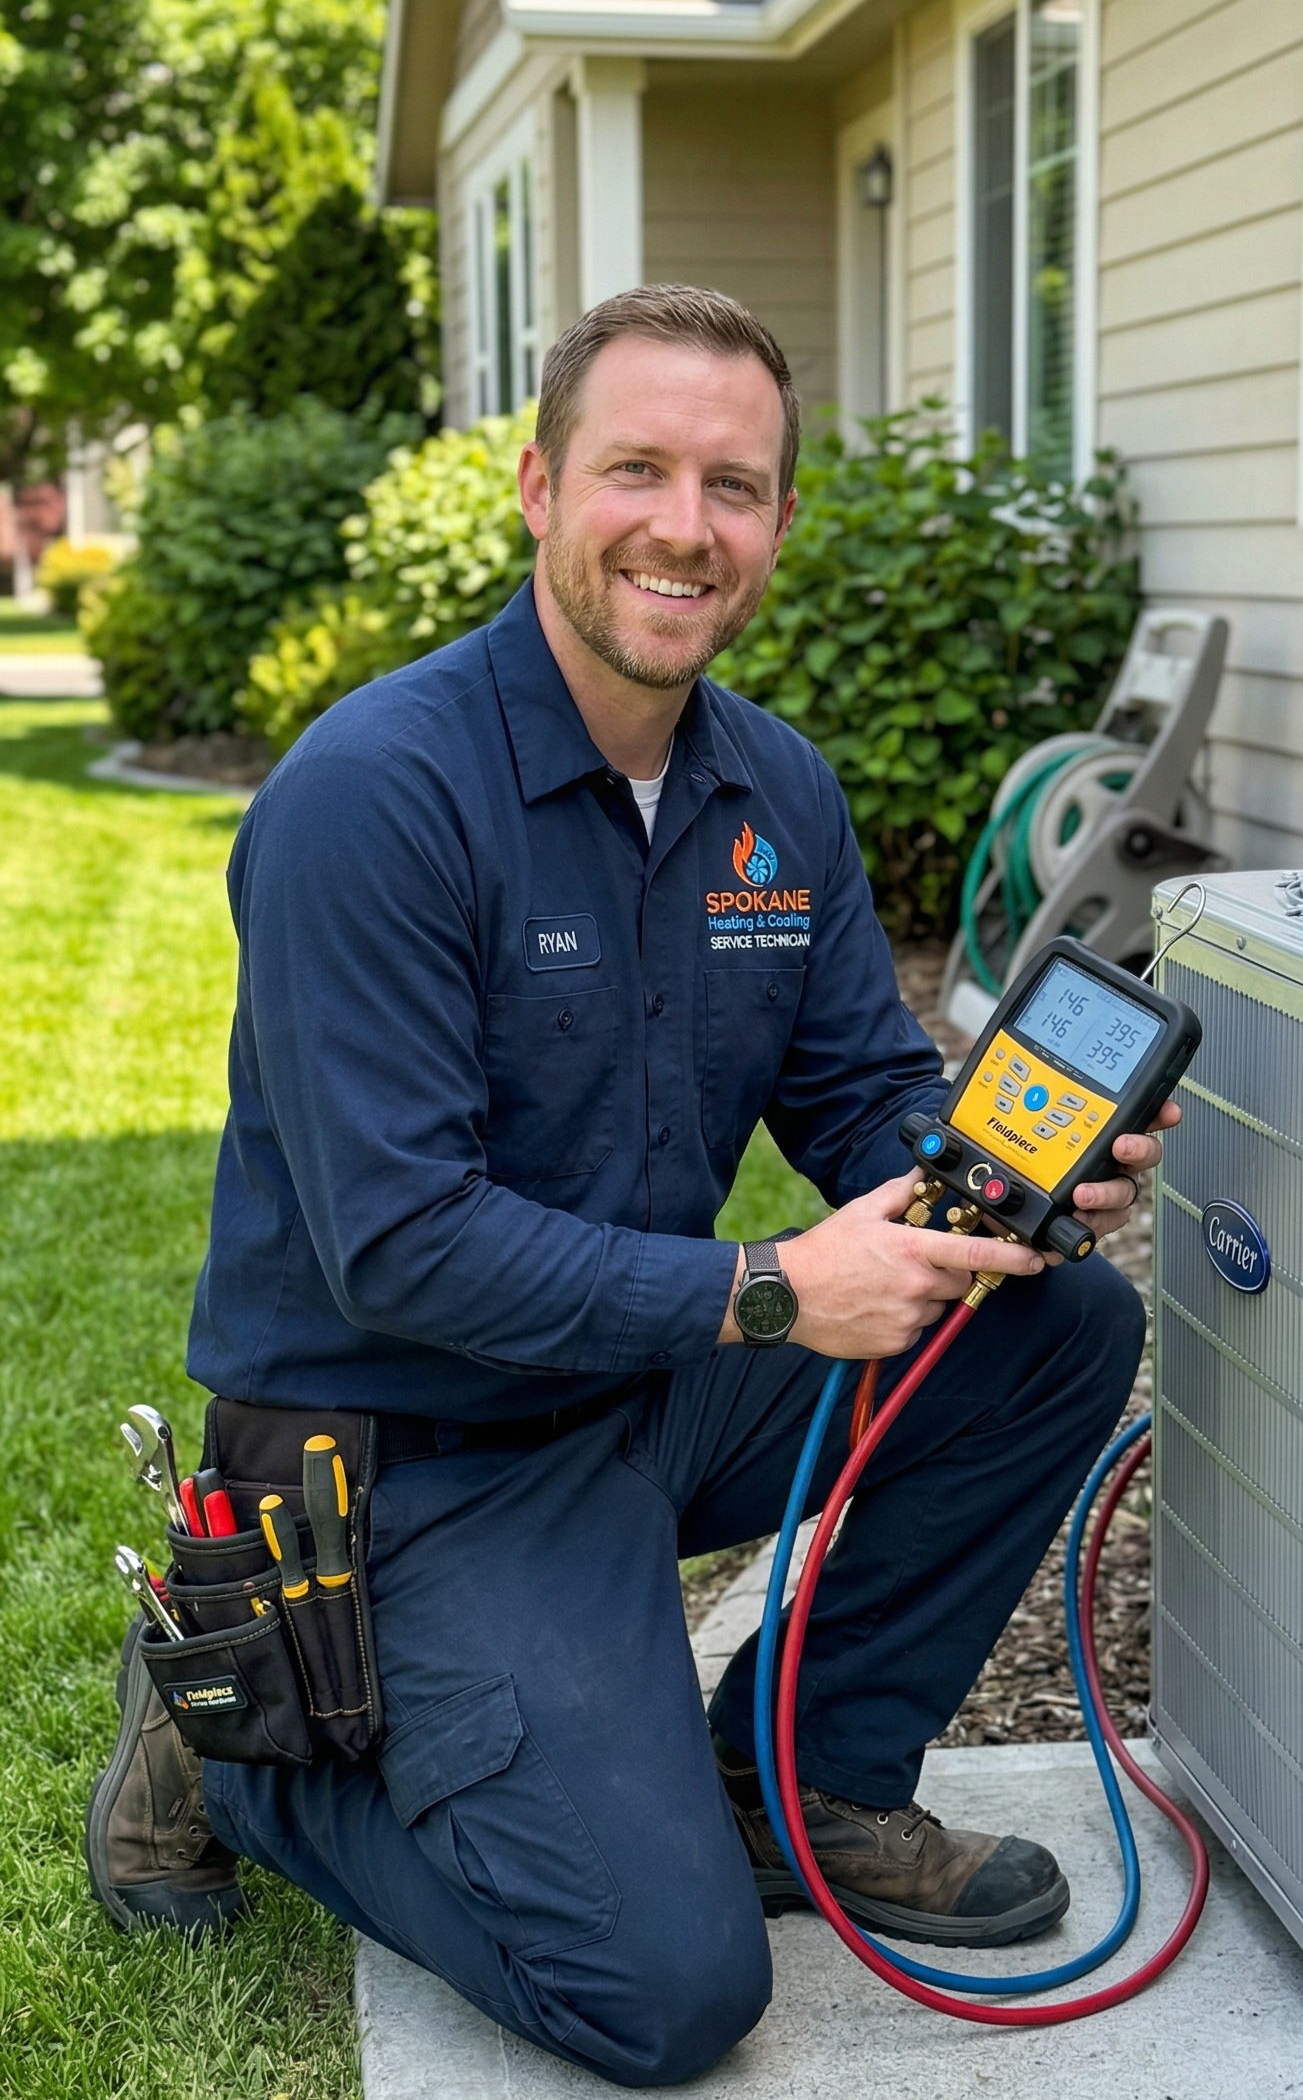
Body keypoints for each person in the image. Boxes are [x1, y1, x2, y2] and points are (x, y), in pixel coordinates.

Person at [87, 286, 1174, 2088]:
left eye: (733, 485)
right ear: (539, 487)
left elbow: (864, 1092)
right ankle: (245, 1736)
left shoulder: (776, 792)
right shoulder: (375, 795)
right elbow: (398, 1245)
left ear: (779, 524)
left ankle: (800, 1787)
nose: (686, 524)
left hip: (637, 1389)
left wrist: (1001, 1181)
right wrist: (773, 1288)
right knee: (665, 1996)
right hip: (405, 1455)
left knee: (1053, 1324)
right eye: (638, 469)